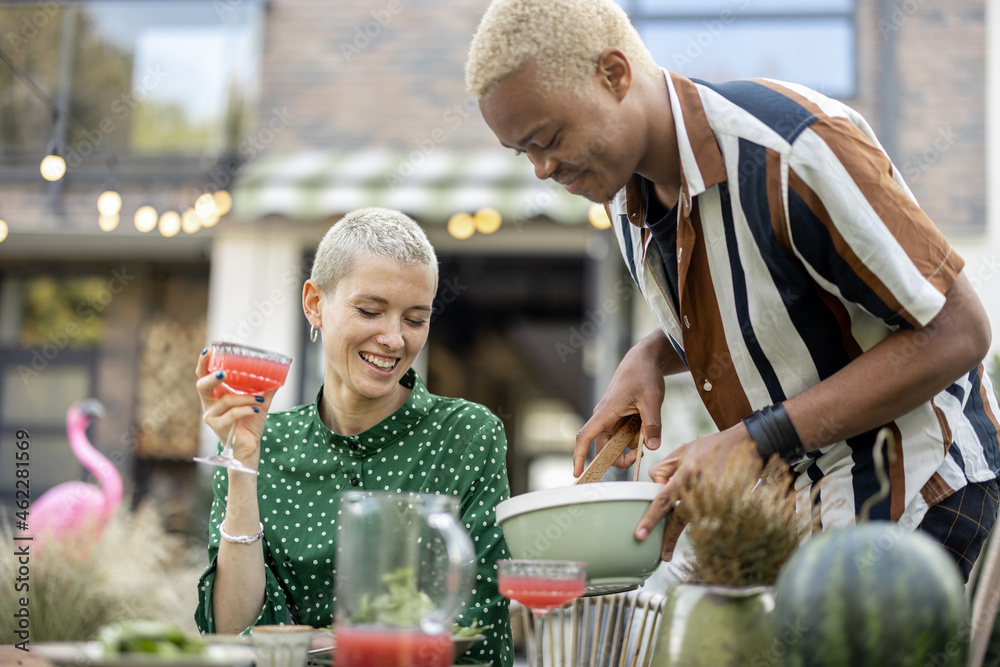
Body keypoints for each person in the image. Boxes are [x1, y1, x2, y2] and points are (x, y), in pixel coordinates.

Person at [465, 0, 1000, 580]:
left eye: (548, 138)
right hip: (811, 526)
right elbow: (777, 303)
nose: (542, 169)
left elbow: (959, 331)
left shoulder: (793, 152)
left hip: (931, 504)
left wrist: (754, 440)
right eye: (525, 153)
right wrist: (649, 353)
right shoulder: (620, 195)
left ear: (614, 74)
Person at [193, 207, 514, 666]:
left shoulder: (467, 436)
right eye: (370, 310)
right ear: (314, 304)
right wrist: (243, 463)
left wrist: (310, 644)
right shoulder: (261, 445)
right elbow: (232, 636)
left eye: (415, 319)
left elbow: (477, 629)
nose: (394, 338)